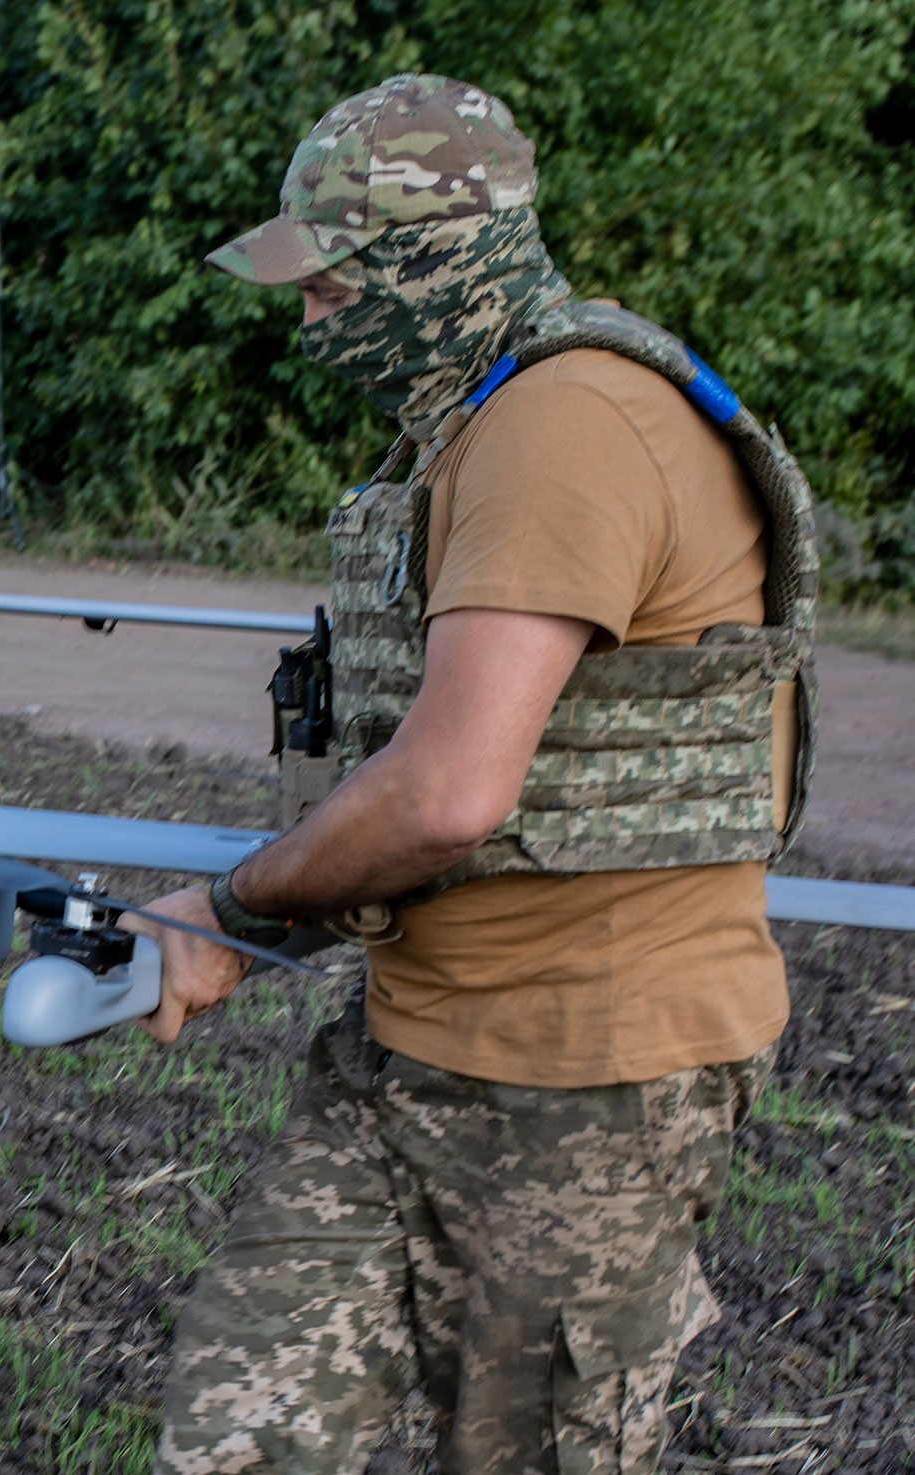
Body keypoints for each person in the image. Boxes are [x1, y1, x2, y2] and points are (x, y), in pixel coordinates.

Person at [119, 76, 818, 1474]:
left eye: (334, 284)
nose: (311, 322)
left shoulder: (567, 429)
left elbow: (448, 790)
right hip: (406, 1057)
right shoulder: (482, 416)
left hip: (589, 1085)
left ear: (434, 262)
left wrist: (232, 912)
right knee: (235, 1438)